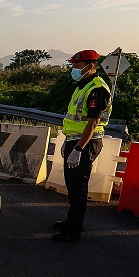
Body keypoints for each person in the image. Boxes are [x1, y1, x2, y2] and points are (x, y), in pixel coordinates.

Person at [53, 49, 112, 242]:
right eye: (73, 66)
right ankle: (71, 221)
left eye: (77, 66)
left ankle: (74, 229)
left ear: (91, 65)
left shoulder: (97, 89)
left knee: (78, 187)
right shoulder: (82, 86)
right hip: (75, 141)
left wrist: (78, 149)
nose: (74, 69)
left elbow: (93, 123)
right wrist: (69, 142)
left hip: (85, 144)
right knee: (72, 185)